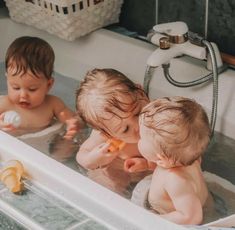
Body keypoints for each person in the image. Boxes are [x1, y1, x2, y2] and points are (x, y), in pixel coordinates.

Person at [76, 68, 155, 196]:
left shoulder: (162, 115)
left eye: (138, 112)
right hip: (119, 171)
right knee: (106, 183)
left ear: (142, 93)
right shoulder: (104, 138)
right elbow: (82, 156)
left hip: (150, 174)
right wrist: (94, 158)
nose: (138, 125)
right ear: (108, 134)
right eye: (125, 129)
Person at [137, 96, 211, 225]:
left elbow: (191, 217)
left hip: (175, 218)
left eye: (141, 137)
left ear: (160, 159)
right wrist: (145, 164)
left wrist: (152, 221)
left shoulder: (175, 180)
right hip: (206, 203)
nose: (139, 139)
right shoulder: (191, 159)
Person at [0, 36, 80, 138]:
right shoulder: (4, 104)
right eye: (15, 87)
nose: (23, 95)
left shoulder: (52, 104)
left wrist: (73, 124)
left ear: (49, 85)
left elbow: (72, 119)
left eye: (32, 89)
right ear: (7, 80)